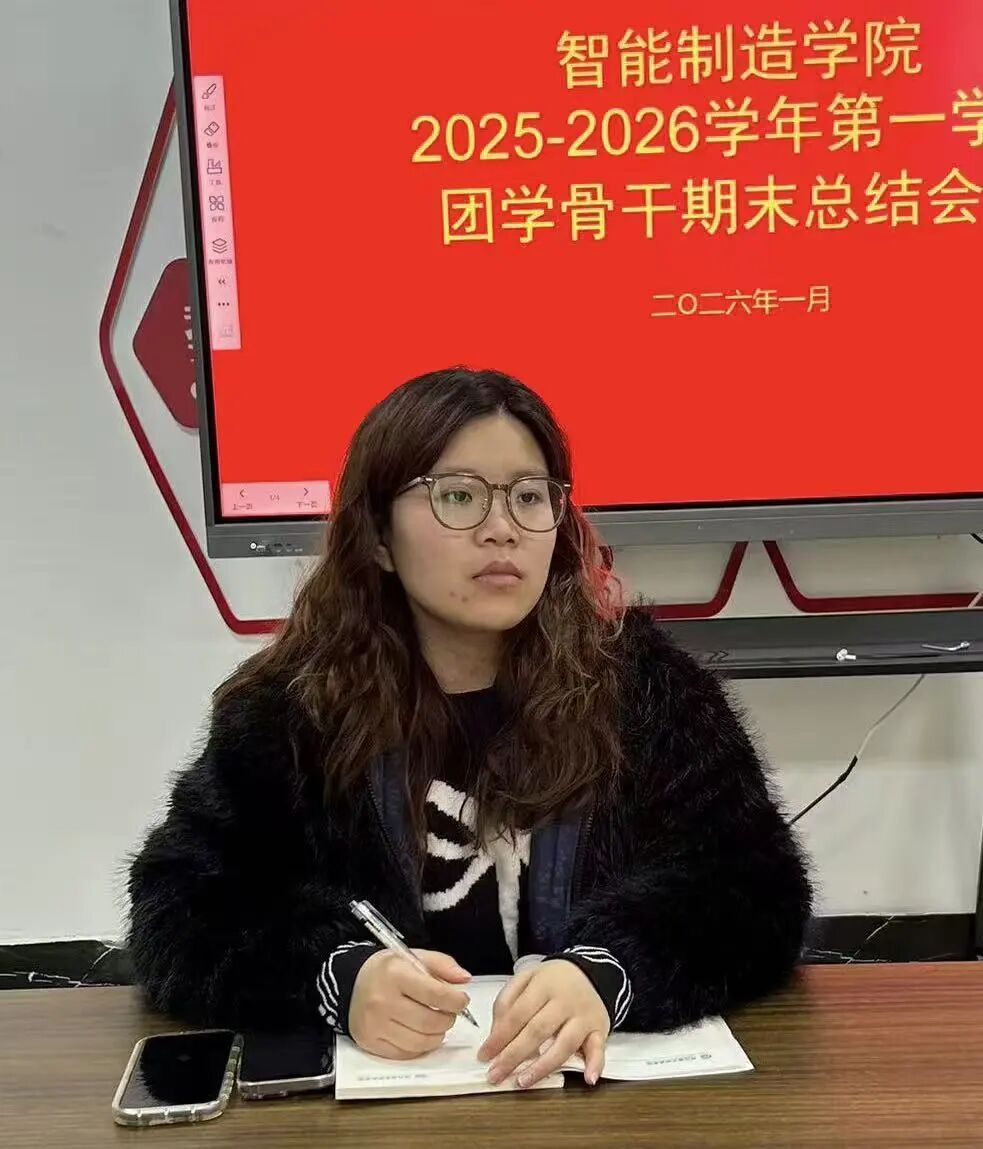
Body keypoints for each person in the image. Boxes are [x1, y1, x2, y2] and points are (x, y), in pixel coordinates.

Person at [128, 366, 811, 1089]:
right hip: (389, 1107)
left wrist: (609, 972)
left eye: (529, 496)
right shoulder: (292, 709)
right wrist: (337, 976)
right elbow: (178, 907)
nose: (502, 528)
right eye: (458, 495)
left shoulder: (642, 687)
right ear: (379, 536)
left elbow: (757, 892)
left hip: (590, 1102)